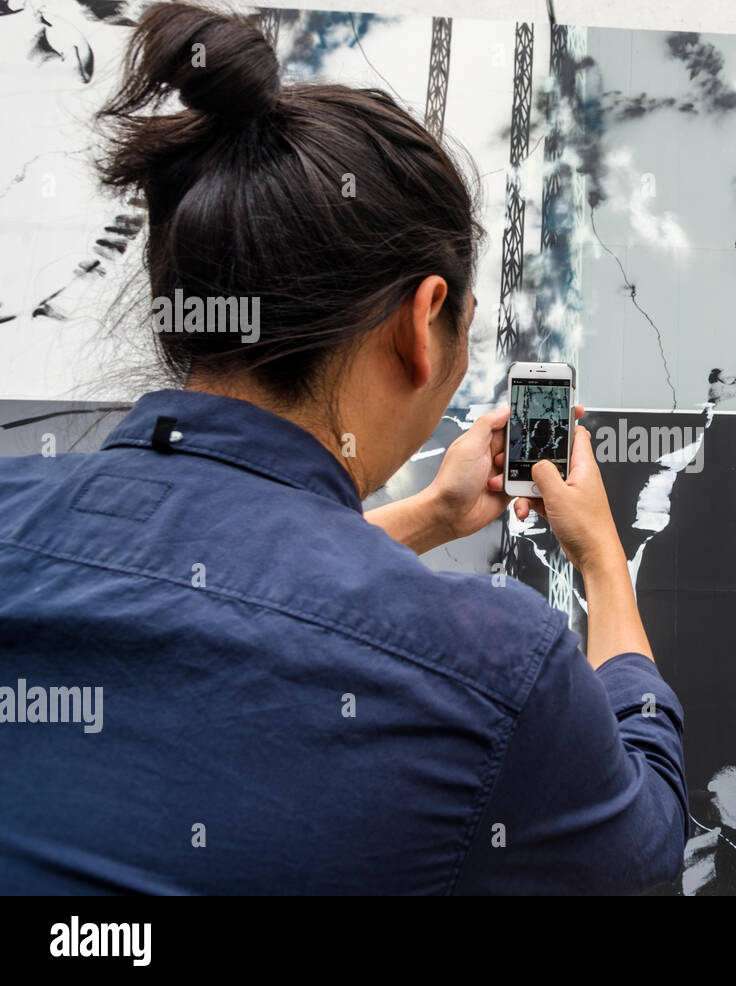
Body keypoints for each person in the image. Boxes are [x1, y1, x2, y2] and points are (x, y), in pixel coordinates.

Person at [0, 3, 687, 894]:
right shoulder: (500, 673)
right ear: (422, 320)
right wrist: (600, 560)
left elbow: (221, 592)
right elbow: (645, 836)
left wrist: (432, 517)